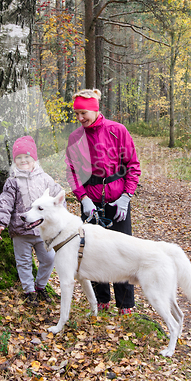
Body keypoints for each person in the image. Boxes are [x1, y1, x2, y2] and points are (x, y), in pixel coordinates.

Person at [65, 89, 141, 315]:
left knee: (123, 251)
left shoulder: (118, 131)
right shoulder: (75, 138)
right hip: (91, 203)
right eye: (76, 114)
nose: (80, 118)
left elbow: (133, 165)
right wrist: (84, 199)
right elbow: (73, 172)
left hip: (118, 201)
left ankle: (126, 304)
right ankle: (101, 299)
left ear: (95, 109)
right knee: (93, 252)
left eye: (83, 113)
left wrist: (126, 197)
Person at [0, 135, 62, 304]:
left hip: (41, 231)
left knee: (49, 258)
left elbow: (57, 198)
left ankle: (40, 286)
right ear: (14, 161)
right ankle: (29, 291)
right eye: (19, 158)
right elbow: (5, 202)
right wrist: (1, 223)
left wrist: (61, 219)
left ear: (34, 159)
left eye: (27, 157)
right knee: (23, 263)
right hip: (20, 231)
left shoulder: (45, 178)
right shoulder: (12, 181)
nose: (23, 161)